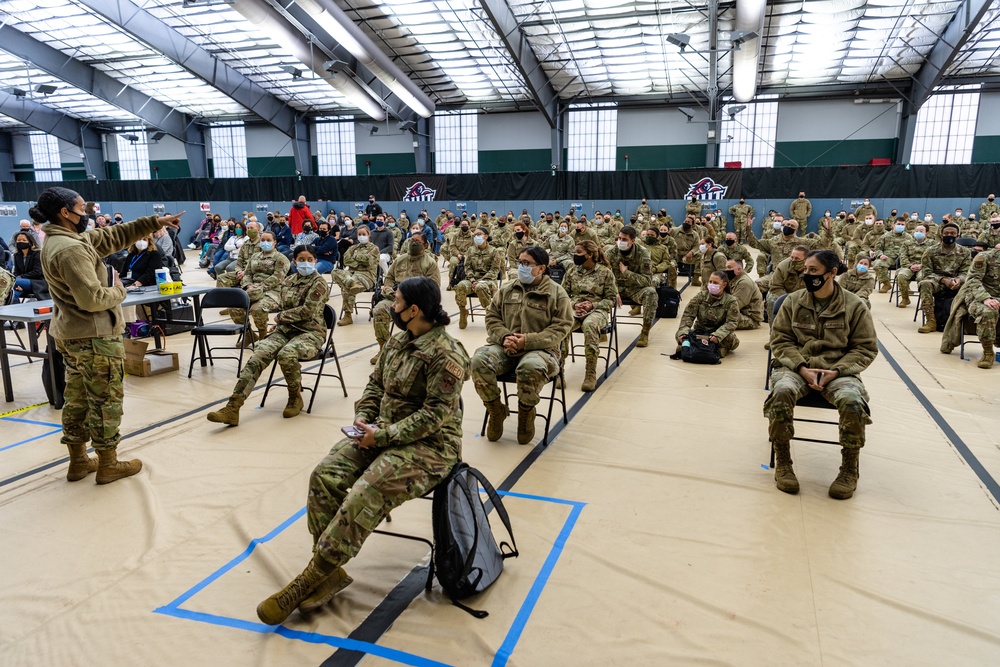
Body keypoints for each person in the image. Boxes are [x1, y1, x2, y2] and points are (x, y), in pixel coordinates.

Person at [255, 276, 469, 625]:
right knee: (325, 475)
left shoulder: (445, 353)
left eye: (396, 301)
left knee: (366, 490)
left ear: (414, 310)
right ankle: (329, 573)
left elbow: (433, 417)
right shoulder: (399, 342)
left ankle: (309, 579)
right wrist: (363, 418)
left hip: (430, 447)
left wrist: (380, 437)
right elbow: (374, 387)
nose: (390, 306)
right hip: (379, 433)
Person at [31, 186, 183, 484]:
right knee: (105, 401)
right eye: (82, 210)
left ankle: (78, 462)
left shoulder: (65, 239)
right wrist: (119, 289)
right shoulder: (70, 249)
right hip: (94, 337)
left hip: (73, 335)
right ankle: (109, 464)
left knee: (77, 398)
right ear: (65, 213)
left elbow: (111, 237)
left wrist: (155, 222)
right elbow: (92, 299)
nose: (88, 215)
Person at [765, 249, 877, 500]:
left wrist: (836, 370)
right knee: (781, 392)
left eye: (813, 271)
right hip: (796, 368)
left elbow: (865, 348)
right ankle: (783, 462)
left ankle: (849, 468)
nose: (807, 275)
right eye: (805, 270)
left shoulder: (854, 305)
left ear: (832, 273)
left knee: (852, 401)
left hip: (838, 370)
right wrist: (802, 368)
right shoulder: (793, 302)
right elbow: (780, 341)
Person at [208, 244, 329, 426]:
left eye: (309, 260)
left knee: (286, 354)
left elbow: (307, 312)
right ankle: (233, 407)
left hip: (310, 333)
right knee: (258, 355)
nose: (305, 263)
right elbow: (283, 304)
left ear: (315, 261)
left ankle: (295, 397)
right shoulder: (288, 282)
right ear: (294, 261)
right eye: (301, 260)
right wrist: (279, 323)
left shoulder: (319, 283)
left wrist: (281, 317)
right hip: (286, 331)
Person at [472, 246, 573, 444]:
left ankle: (526, 413)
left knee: (530, 367)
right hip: (504, 347)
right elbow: (492, 316)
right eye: (520, 263)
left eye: (527, 264)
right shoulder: (508, 288)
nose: (521, 267)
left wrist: (526, 341)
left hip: (543, 351)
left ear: (541, 268)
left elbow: (561, 328)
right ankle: (495, 410)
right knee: (478, 361)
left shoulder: (556, 293)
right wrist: (504, 337)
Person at [371, 232, 439, 364]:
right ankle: (383, 348)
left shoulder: (430, 263)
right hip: (395, 298)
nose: (413, 243)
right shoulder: (400, 260)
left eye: (417, 241)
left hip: (417, 302)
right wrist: (388, 287)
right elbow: (389, 277)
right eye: (412, 240)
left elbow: (433, 287)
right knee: (379, 310)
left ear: (425, 245)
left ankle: (418, 349)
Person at [562, 241, 618, 391]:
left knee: (590, 325)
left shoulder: (605, 272)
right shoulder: (572, 271)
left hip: (597, 310)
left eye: (578, 253)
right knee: (562, 325)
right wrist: (574, 305)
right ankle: (559, 369)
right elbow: (562, 295)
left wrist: (592, 305)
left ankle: (590, 373)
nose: (575, 256)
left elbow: (611, 298)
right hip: (574, 309)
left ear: (590, 255)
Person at [227, 231, 290, 342]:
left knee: (257, 309)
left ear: (275, 242)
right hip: (251, 289)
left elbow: (277, 277)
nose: (265, 242)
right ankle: (248, 335)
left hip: (272, 292)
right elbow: (247, 273)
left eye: (268, 240)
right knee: (234, 307)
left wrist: (259, 287)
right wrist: (248, 285)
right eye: (263, 240)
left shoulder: (281, 258)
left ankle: (262, 334)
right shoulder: (255, 256)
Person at [606, 226, 656, 347]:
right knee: (598, 291)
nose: (620, 241)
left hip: (635, 289)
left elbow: (647, 280)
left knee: (651, 293)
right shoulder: (611, 252)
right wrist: (614, 290)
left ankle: (645, 332)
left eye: (624, 239)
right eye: (619, 238)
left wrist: (626, 273)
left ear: (632, 241)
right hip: (616, 288)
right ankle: (602, 328)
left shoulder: (642, 253)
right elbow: (604, 276)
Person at [917, 222, 972, 333]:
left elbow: (966, 272)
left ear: (958, 235)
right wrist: (943, 280)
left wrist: (958, 280)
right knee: (925, 283)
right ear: (941, 235)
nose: (949, 235)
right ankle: (931, 321)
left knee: (972, 286)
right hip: (936, 281)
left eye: (952, 233)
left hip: (956, 282)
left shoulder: (965, 252)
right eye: (946, 233)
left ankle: (963, 322)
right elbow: (926, 272)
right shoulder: (931, 250)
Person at [672, 271, 740, 358]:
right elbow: (688, 316)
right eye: (710, 282)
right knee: (680, 334)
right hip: (700, 333)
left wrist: (717, 335)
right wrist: (683, 333)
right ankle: (704, 348)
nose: (712, 284)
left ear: (724, 285)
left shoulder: (731, 301)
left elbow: (731, 322)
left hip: (717, 334)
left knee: (731, 339)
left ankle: (708, 348)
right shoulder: (700, 296)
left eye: (715, 283)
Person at [956, 248, 1000, 368]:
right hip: (980, 296)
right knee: (988, 312)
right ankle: (988, 353)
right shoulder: (985, 257)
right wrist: (985, 298)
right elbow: (973, 280)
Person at [454, 226, 504, 329]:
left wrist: (481, 281)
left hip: (488, 281)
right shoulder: (471, 250)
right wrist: (472, 280)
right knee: (460, 286)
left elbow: (494, 270)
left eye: (479, 234)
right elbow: (467, 267)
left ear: (485, 236)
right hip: (472, 280)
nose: (476, 236)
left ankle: (491, 315)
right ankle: (463, 312)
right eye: (475, 235)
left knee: (480, 287)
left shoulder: (494, 251)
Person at [332, 224, 380, 326]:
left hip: (367, 276)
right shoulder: (353, 247)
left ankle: (348, 315)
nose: (361, 236)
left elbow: (369, 262)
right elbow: (346, 260)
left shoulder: (374, 248)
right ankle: (352, 283)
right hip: (351, 274)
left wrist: (355, 258)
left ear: (368, 235)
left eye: (363, 234)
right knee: (335, 272)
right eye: (359, 234)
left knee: (346, 287)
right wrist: (360, 260)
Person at [896, 225, 931, 307]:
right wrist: (910, 266)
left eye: (921, 231)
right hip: (908, 266)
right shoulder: (907, 243)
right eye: (917, 230)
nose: (918, 232)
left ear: (927, 233)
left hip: (924, 267)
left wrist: (921, 265)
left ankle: (924, 301)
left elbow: (933, 257)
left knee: (922, 278)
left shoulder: (932, 244)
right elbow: (902, 255)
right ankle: (905, 298)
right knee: (901, 275)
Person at [725, 258, 763, 330]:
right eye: (726, 267)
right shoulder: (734, 279)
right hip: (740, 313)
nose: (726, 270)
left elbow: (735, 305)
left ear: (739, 269)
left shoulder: (744, 282)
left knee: (717, 315)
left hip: (749, 319)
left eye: (729, 267)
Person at [10, 231, 45, 302]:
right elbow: (16, 272)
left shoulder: (37, 253)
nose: (21, 242)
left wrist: (20, 278)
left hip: (37, 282)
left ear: (30, 242)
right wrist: (19, 280)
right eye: (18, 240)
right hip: (20, 282)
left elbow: (37, 272)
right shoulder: (17, 255)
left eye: (24, 240)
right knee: (12, 296)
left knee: (11, 282)